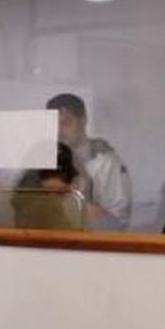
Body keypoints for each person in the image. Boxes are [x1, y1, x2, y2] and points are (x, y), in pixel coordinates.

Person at [46, 92, 130, 229]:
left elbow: (118, 223)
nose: (59, 132)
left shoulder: (105, 162)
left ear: (83, 120)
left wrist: (78, 206)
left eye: (66, 123)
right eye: (53, 125)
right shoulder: (45, 157)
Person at [10, 143, 89, 230]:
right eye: (46, 193)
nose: (53, 200)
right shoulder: (29, 199)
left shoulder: (79, 204)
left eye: (60, 193)